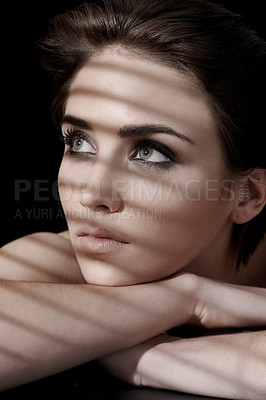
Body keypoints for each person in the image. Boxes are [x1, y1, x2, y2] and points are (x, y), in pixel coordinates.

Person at [0, 0, 265, 398]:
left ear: (246, 194)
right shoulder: (55, 263)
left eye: (151, 152)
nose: (93, 195)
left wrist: (136, 351)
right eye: (80, 143)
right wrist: (186, 299)